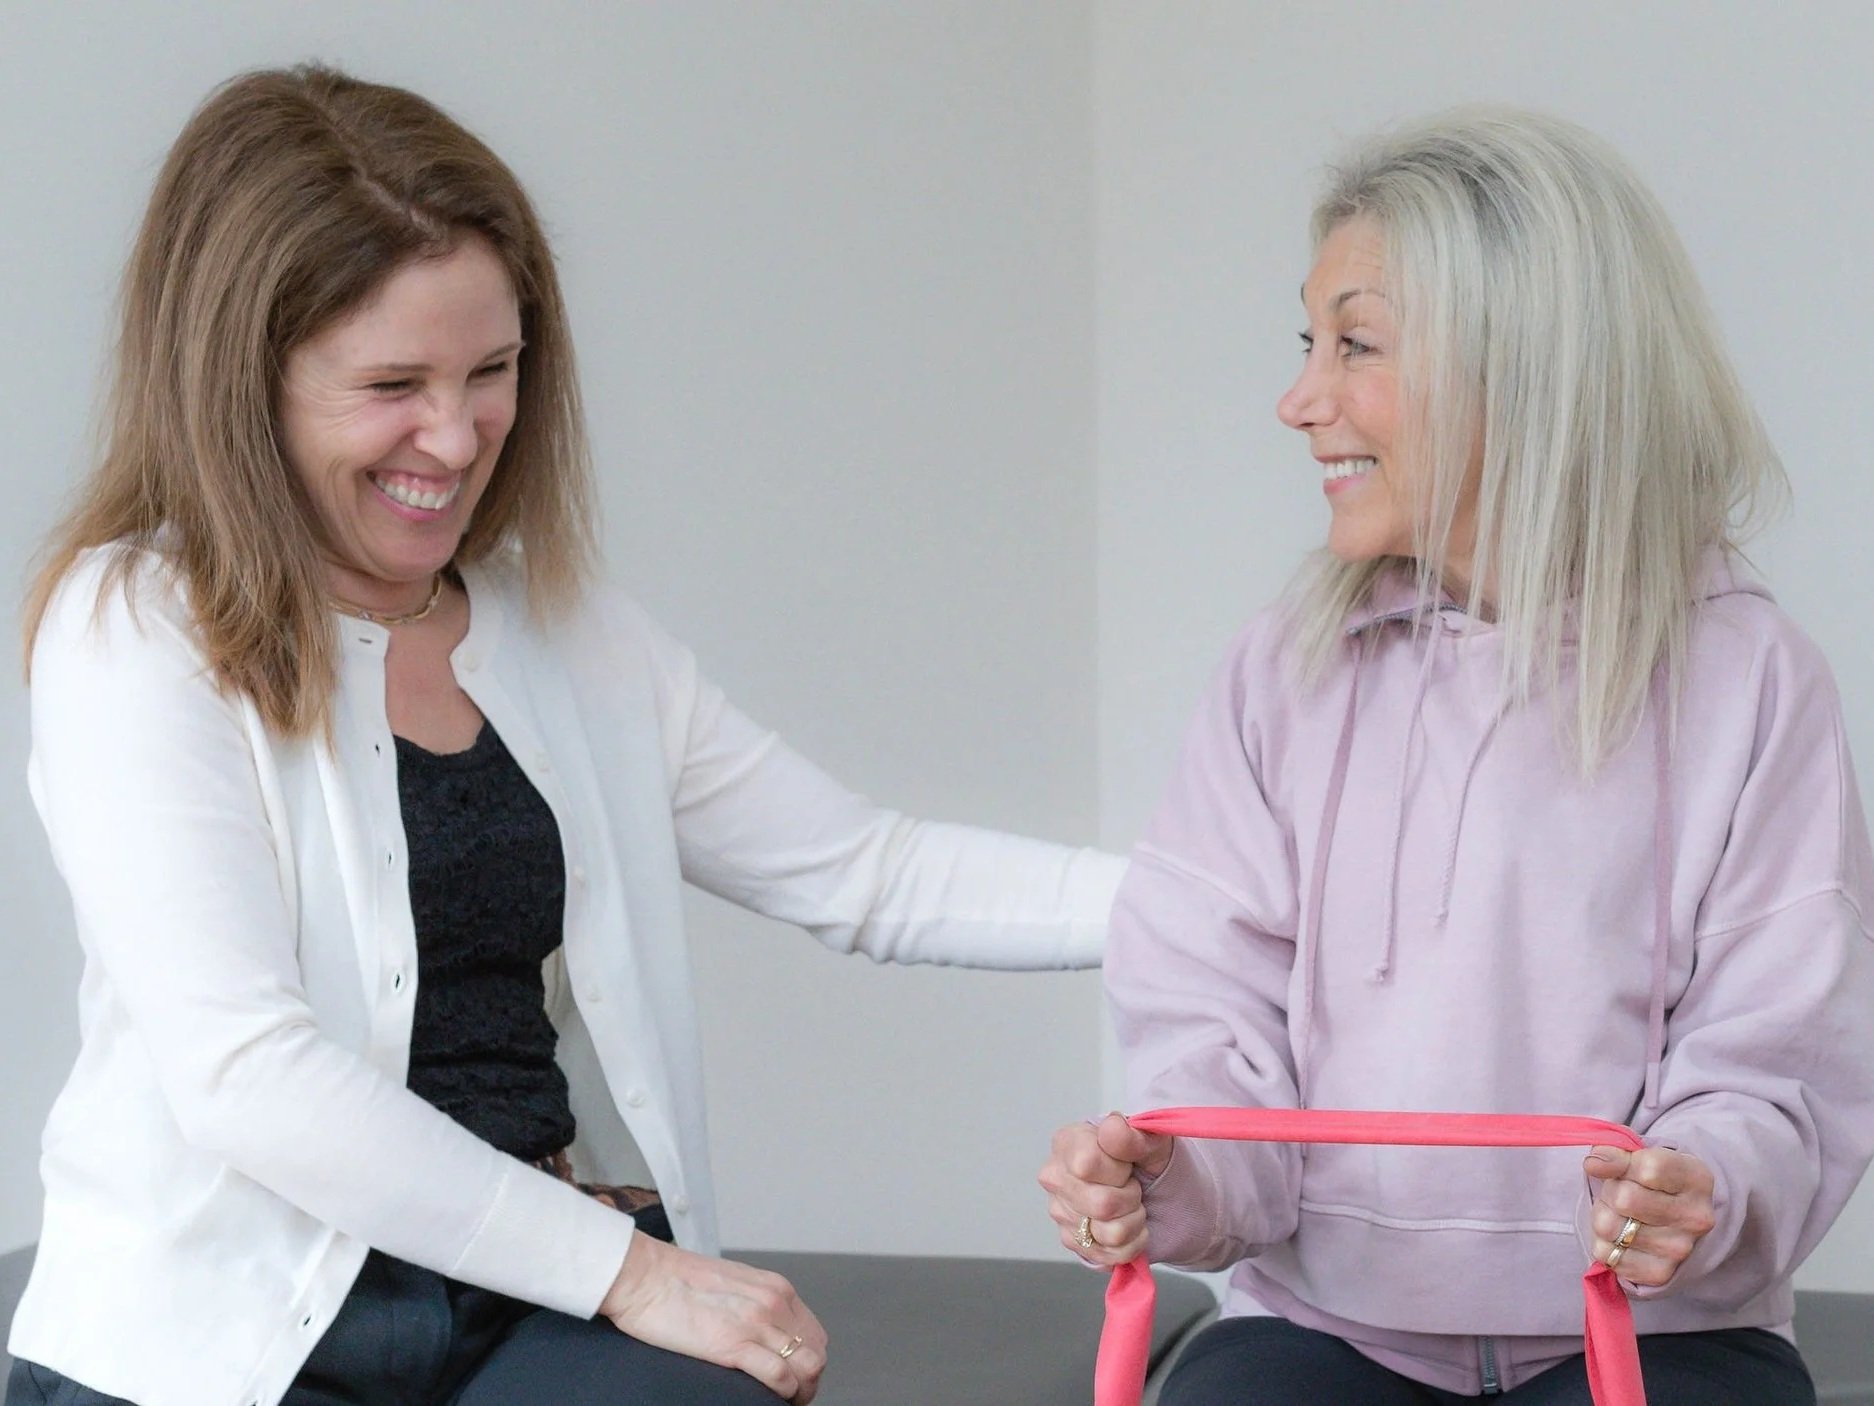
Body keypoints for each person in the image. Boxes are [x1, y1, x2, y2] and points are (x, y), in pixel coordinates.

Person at [6, 65, 1123, 1406]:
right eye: (391, 383)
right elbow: (250, 1073)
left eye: (492, 371)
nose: (456, 433)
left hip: (530, 1295)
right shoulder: (137, 624)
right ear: (247, 385)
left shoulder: (570, 634)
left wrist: (1241, 910)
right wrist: (636, 1275)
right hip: (233, 1325)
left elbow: (865, 869)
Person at [1040, 108, 1874, 1404]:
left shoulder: (1753, 681)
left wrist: (1697, 1187)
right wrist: (1176, 1176)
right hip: (1325, 1328)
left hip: (1659, 1333)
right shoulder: (1279, 672)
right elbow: (1208, 1027)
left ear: (1525, 366)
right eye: (1306, 343)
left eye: (1353, 344)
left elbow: (1776, 1059)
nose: (1297, 398)